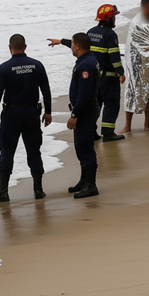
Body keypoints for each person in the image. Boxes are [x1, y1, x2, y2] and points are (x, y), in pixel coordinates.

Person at [0, 34, 52, 202]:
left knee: (7, 152)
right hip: (31, 114)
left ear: (10, 47)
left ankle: (3, 192)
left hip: (11, 115)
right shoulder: (37, 65)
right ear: (26, 46)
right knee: (34, 151)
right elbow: (46, 90)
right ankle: (38, 190)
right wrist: (48, 112)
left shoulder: (4, 68)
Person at [48, 4, 126, 142]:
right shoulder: (110, 35)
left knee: (96, 105)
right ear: (109, 19)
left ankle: (92, 132)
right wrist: (121, 72)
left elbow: (79, 45)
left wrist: (61, 41)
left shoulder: (90, 32)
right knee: (112, 104)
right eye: (114, 16)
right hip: (109, 78)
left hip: (95, 78)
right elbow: (114, 57)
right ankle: (108, 133)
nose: (115, 19)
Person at [119, 0, 149, 133]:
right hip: (136, 64)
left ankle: (147, 124)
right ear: (143, 8)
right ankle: (127, 126)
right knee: (132, 92)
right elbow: (131, 45)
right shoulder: (137, 22)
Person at [66, 33, 101, 199]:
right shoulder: (87, 59)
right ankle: (84, 180)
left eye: (72, 44)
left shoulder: (86, 64)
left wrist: (75, 114)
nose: (71, 47)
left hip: (85, 110)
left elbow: (84, 93)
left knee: (85, 146)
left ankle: (91, 185)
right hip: (86, 109)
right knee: (80, 146)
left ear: (77, 46)